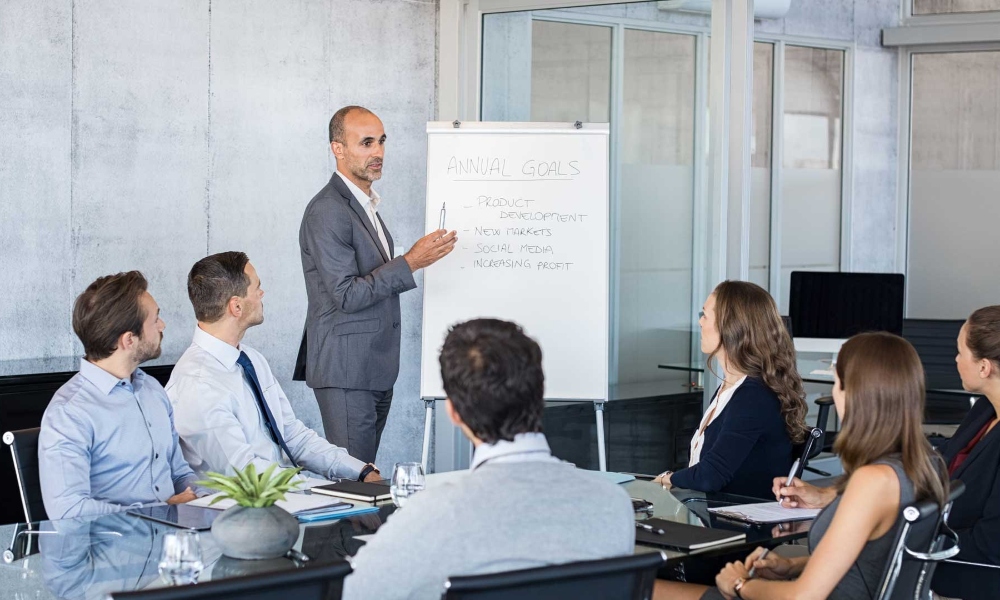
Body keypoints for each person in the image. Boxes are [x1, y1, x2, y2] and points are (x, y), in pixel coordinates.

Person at [343, 319, 635, 600]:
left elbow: (352, 594)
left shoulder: (431, 515)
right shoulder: (613, 504)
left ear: (454, 412)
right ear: (539, 394)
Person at [655, 332, 949, 600]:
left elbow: (803, 597)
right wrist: (792, 565)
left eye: (837, 383)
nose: (835, 394)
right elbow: (879, 557)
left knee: (640, 585)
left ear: (855, 394)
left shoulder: (872, 480)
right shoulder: (926, 464)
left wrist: (740, 585)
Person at [295, 105, 457, 463]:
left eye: (381, 142)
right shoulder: (328, 210)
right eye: (366, 143)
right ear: (338, 149)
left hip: (372, 367)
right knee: (355, 484)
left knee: (362, 476)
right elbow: (346, 294)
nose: (378, 152)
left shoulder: (364, 205)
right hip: (347, 369)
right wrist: (411, 262)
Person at [166, 252, 382, 484]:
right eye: (257, 288)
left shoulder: (251, 358)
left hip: (286, 499)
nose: (262, 293)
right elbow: (247, 475)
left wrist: (360, 472)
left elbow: (292, 435)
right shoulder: (198, 384)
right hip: (242, 511)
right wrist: (323, 490)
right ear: (236, 306)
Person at [39, 272, 206, 519]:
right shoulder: (69, 412)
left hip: (173, 544)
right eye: (155, 319)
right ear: (129, 339)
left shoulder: (152, 390)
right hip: (110, 551)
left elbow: (179, 473)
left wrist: (206, 497)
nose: (162, 326)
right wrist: (159, 511)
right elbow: (68, 511)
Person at [655, 280, 808, 499]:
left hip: (734, 524)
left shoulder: (753, 396)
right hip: (711, 514)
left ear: (730, 327)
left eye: (705, 315)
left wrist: (668, 478)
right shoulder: (733, 388)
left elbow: (710, 475)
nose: (700, 322)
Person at [931, 305, 1000, 597]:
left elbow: (990, 546)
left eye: (960, 352)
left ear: (984, 367)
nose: (956, 360)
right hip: (943, 544)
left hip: (975, 571)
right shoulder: (985, 408)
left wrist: (902, 539)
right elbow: (954, 454)